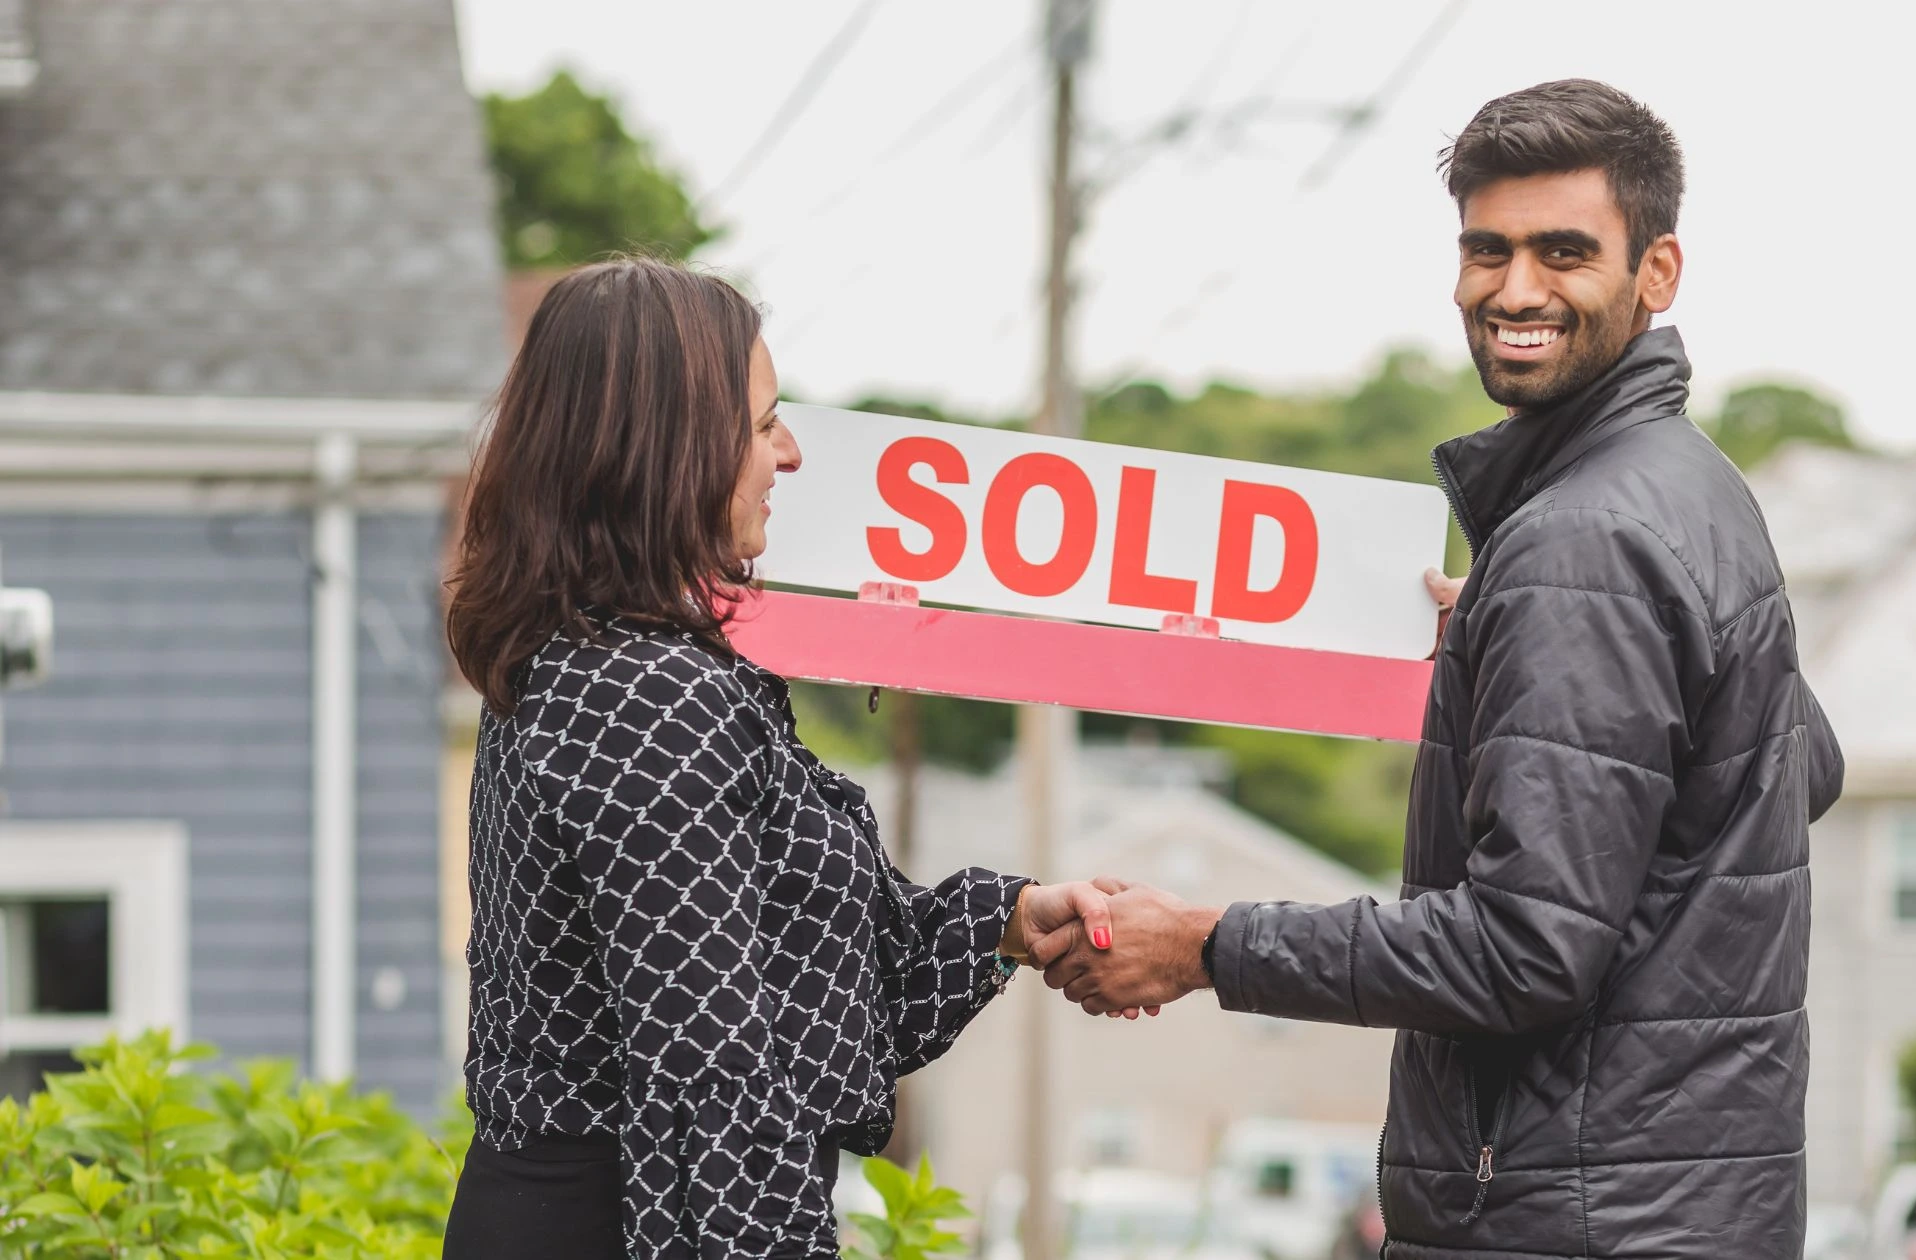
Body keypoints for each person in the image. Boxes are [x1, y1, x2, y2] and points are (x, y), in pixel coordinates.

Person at [1037, 80, 1845, 1260]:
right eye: (1487, 251)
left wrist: (1205, 944)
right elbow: (1797, 764)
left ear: (1655, 273)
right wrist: (1547, 649)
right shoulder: (1689, 485)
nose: (1514, 290)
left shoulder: (1585, 540)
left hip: (1569, 1222)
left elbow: (1525, 951)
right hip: (1678, 1211)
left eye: (1563, 252)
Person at [440, 258, 1129, 1260]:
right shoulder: (646, 699)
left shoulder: (606, 662)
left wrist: (1011, 923)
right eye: (763, 424)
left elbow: (804, 994)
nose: (790, 453)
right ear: (664, 449)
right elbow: (716, 1094)